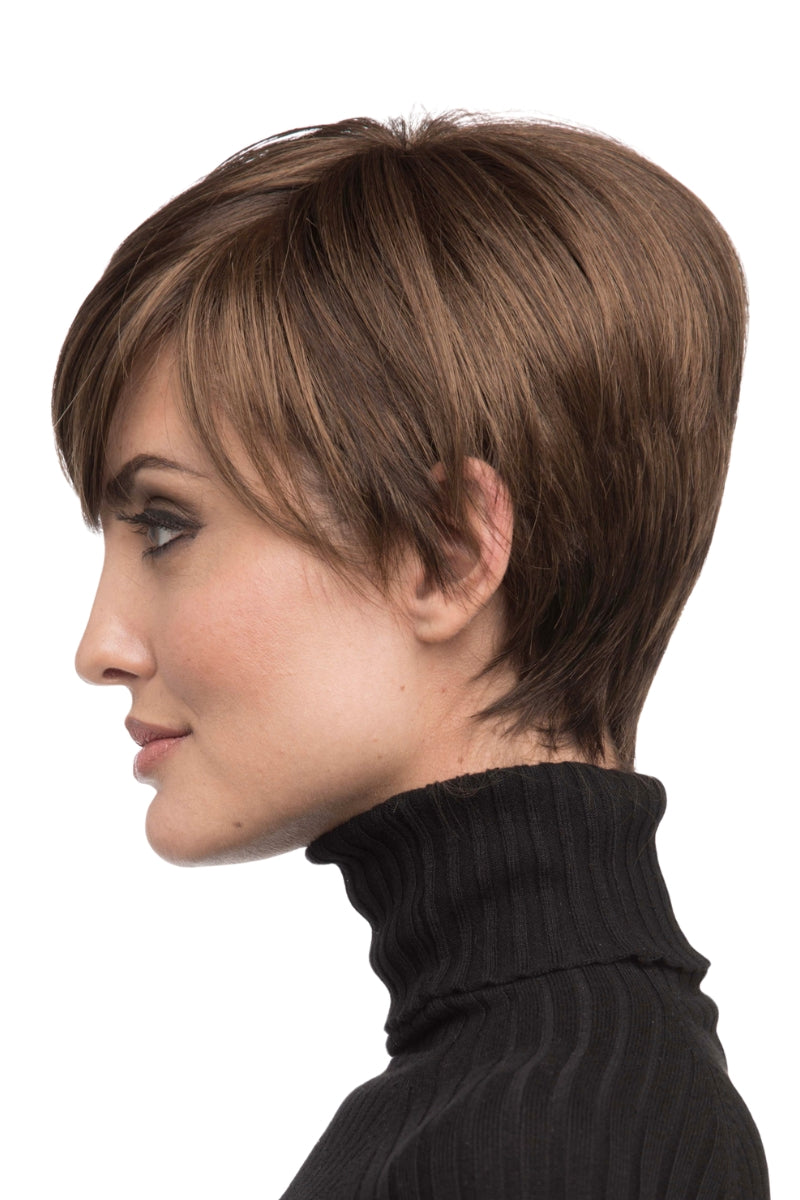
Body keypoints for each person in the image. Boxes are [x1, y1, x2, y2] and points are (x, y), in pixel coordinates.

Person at [51, 112, 770, 1198]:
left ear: (444, 552)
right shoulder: (517, 1095)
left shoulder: (548, 1132)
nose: (99, 647)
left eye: (165, 526)